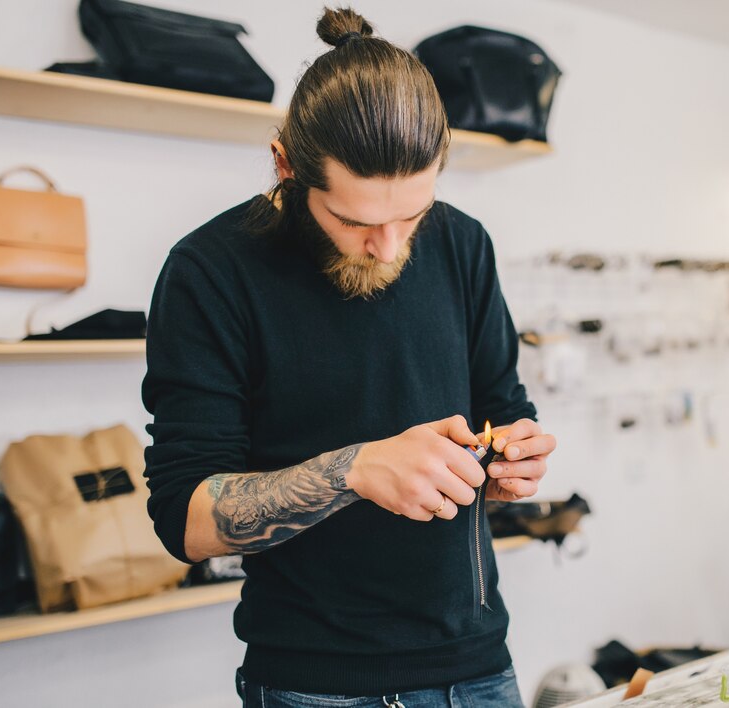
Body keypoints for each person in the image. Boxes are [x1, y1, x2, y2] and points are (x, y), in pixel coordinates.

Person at [142, 7, 556, 707]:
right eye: (356, 221)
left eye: (412, 217)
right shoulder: (210, 271)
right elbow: (184, 520)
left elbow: (505, 411)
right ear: (286, 165)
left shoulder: (464, 245)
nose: (390, 248)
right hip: (320, 685)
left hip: (481, 665)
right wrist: (355, 470)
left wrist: (517, 458)